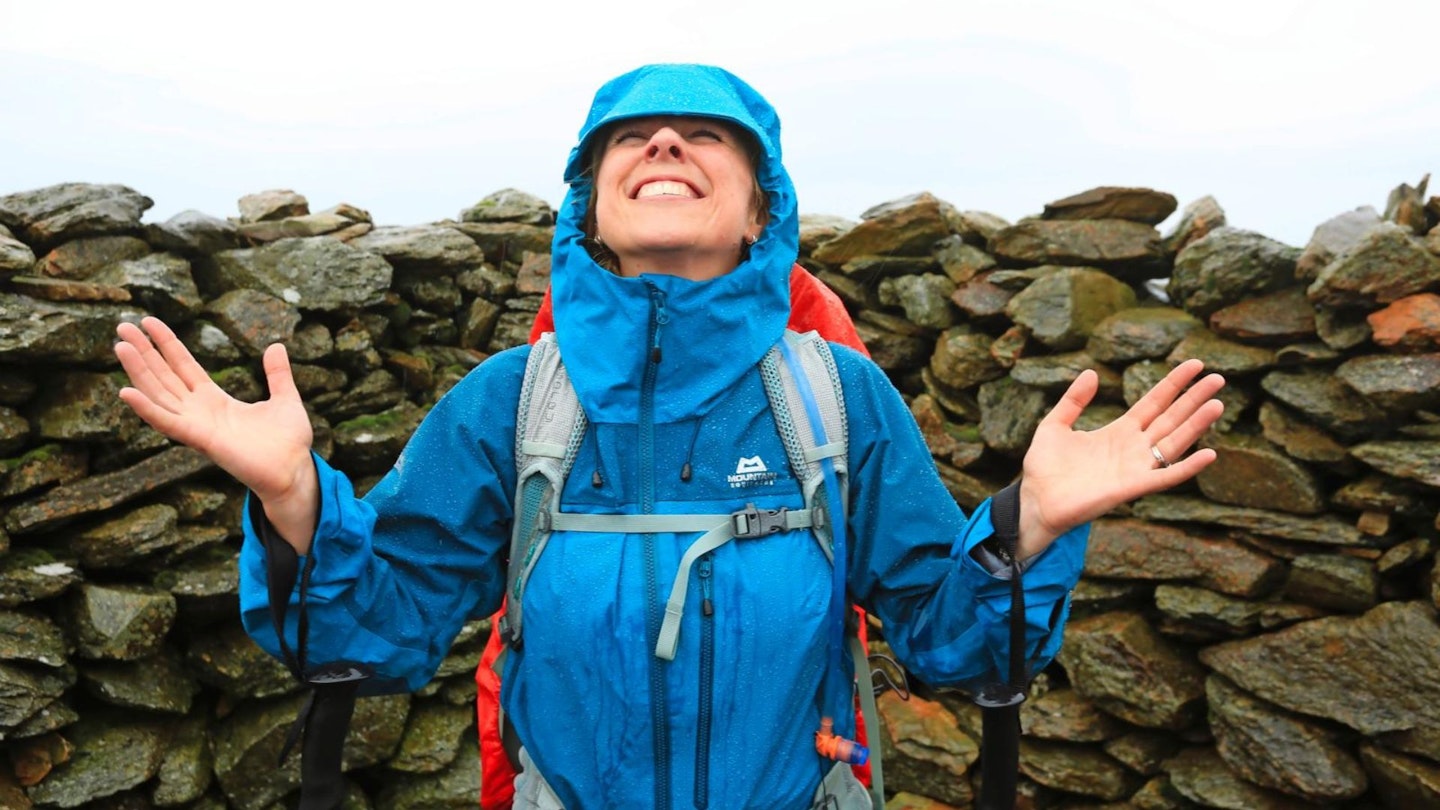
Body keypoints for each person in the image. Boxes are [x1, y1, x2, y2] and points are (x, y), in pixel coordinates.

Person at [113, 64, 1225, 810]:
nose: (664, 145)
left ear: (760, 210)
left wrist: (1032, 525)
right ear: (588, 207)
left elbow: (956, 646)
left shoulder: (835, 400)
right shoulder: (513, 403)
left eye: (706, 138)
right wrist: (294, 503)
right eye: (629, 140)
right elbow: (374, 632)